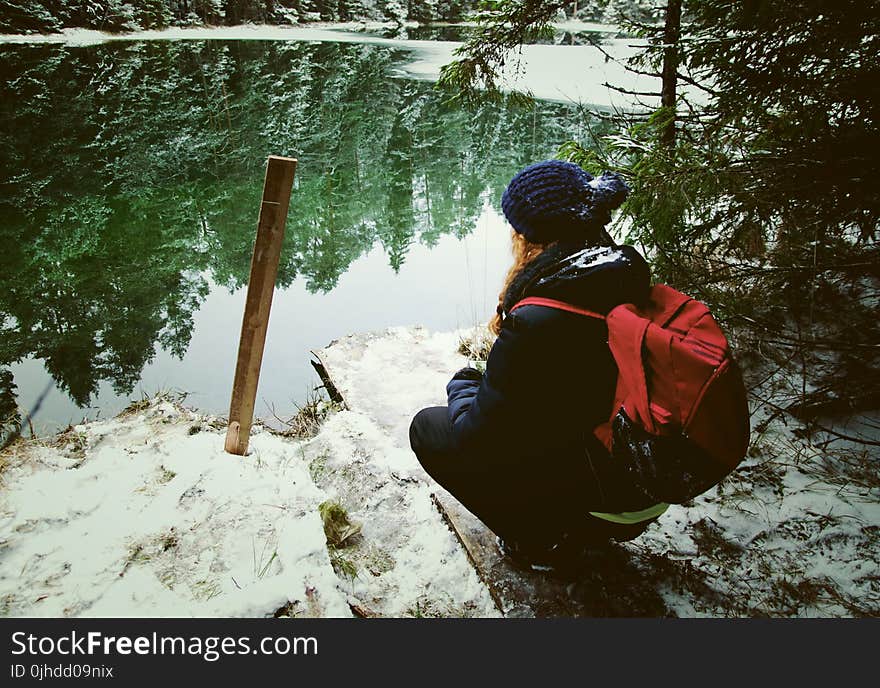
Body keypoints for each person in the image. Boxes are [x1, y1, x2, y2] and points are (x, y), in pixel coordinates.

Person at [409, 159, 664, 574]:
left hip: (608, 493)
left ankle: (542, 543)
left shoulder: (540, 319)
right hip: (647, 486)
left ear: (531, 237)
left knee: (428, 428)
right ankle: (576, 527)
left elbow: (477, 438)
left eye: (515, 226)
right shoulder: (624, 277)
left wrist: (463, 385)